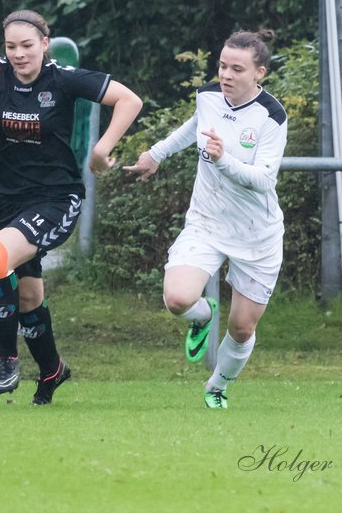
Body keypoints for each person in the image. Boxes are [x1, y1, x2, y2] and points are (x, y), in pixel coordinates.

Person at [0, 9, 142, 405]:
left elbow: (129, 100)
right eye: (11, 47)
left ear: (45, 44)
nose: (20, 55)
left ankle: (7, 360)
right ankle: (52, 371)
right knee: (27, 299)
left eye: (28, 46)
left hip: (57, 199)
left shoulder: (62, 78)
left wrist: (101, 149)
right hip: (6, 203)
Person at [123, 29, 287, 409]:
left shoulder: (272, 117)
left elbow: (264, 179)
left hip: (256, 235)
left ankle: (218, 385)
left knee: (242, 328)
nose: (226, 75)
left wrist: (223, 160)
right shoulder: (210, 96)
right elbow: (193, 127)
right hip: (207, 222)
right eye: (222, 66)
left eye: (237, 69)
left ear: (259, 72)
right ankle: (201, 316)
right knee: (178, 299)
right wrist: (155, 154)